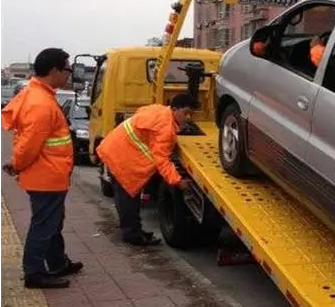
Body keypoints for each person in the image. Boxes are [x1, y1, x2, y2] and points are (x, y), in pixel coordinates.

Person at [1, 48, 83, 289]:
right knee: (45, 225)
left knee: (53, 222)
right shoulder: (40, 103)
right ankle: (34, 273)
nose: (69, 74)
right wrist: (16, 164)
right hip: (45, 176)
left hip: (49, 175)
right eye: (68, 69)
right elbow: (30, 144)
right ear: (55, 70)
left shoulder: (39, 94)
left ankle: (57, 262)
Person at [96, 94, 194, 246]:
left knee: (128, 198)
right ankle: (132, 235)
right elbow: (162, 161)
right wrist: (178, 181)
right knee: (128, 198)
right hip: (124, 159)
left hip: (115, 148)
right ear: (174, 109)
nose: (187, 117)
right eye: (185, 113)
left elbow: (141, 112)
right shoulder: (166, 129)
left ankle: (134, 230)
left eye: (190, 114)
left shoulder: (158, 109)